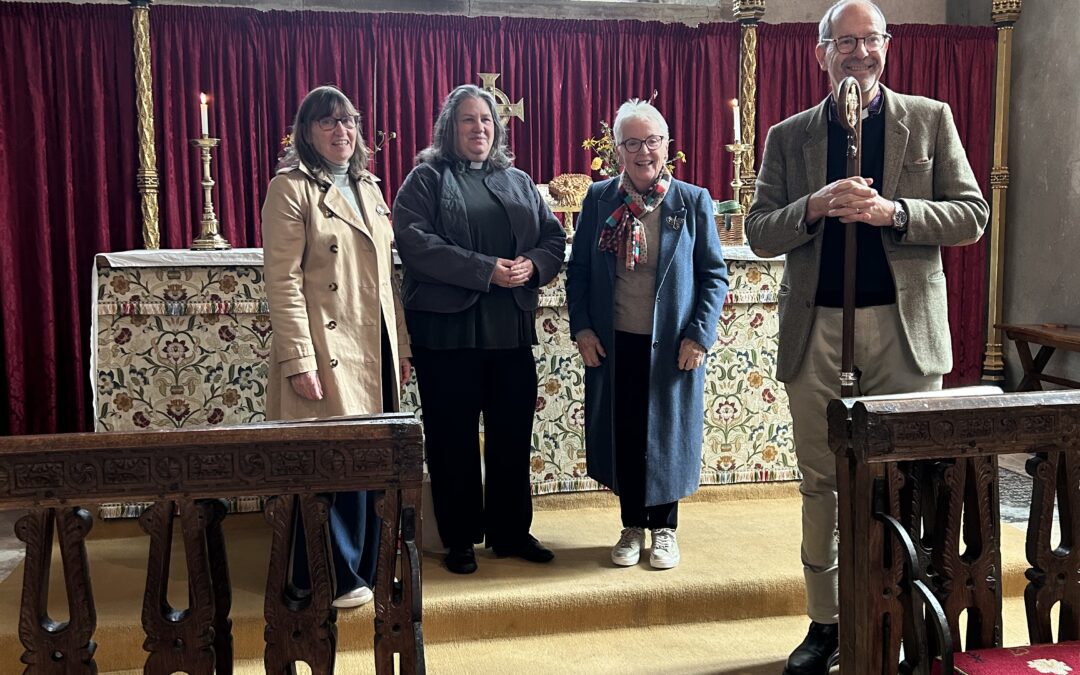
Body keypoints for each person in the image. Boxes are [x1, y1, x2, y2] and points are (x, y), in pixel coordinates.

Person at [745, 1, 989, 672]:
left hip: (904, 334)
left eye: (870, 40)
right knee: (822, 484)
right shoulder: (788, 136)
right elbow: (759, 230)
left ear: (888, 45)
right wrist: (817, 204)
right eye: (843, 41)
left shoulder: (929, 118)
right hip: (818, 332)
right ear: (821, 52)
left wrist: (894, 212)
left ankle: (913, 620)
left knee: (914, 480)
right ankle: (826, 622)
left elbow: (973, 214)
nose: (858, 52)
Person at [392, 84, 566, 575]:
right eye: (468, 120)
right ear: (450, 128)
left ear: (498, 128)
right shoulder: (424, 179)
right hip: (447, 336)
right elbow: (415, 242)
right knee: (453, 438)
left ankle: (511, 531)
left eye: (486, 121)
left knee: (513, 434)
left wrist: (532, 265)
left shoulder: (518, 181)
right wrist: (484, 268)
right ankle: (461, 538)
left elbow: (553, 237)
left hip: (509, 331)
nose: (479, 128)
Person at [261, 85, 412, 609]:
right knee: (330, 464)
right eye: (327, 123)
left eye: (348, 121)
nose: (341, 131)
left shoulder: (369, 187)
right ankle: (328, 576)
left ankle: (366, 567)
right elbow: (281, 281)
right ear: (305, 132)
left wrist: (404, 347)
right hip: (327, 346)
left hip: (376, 345)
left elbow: (387, 279)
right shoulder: (291, 189)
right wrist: (298, 358)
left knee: (370, 461)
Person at [565, 99, 728, 571]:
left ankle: (666, 530)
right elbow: (578, 273)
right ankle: (632, 525)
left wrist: (699, 334)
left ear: (666, 146)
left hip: (673, 344)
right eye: (631, 142)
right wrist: (583, 329)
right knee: (626, 432)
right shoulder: (599, 200)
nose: (643, 152)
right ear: (617, 149)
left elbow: (713, 275)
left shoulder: (691, 201)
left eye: (651, 141)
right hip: (615, 342)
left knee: (666, 434)